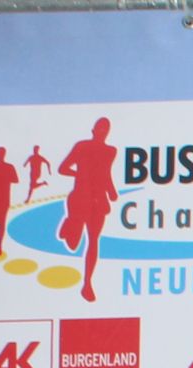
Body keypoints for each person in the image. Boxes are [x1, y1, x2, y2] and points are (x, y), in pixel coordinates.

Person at [55, 116, 117, 302]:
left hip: (99, 201)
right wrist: (80, 174)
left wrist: (112, 191)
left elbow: (106, 174)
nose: (102, 132)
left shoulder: (110, 151)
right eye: (100, 128)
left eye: (105, 129)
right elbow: (63, 168)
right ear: (93, 130)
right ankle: (69, 225)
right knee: (73, 244)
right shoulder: (82, 146)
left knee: (93, 240)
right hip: (80, 197)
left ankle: (87, 283)